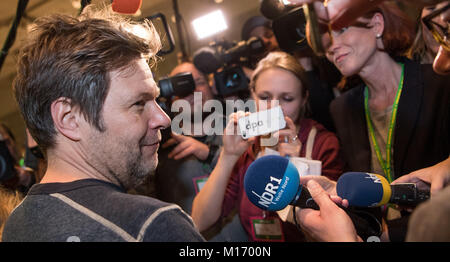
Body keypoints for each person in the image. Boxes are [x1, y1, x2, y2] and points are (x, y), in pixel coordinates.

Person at [2, 7, 204, 242]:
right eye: (139, 103)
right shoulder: (152, 226)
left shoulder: (16, 223)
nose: (164, 119)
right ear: (69, 118)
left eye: (155, 100)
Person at [304, 2, 449, 241]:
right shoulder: (342, 108)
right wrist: (336, 188)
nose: (333, 47)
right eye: (326, 41)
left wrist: (390, 233)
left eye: (341, 30)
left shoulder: (439, 84)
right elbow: (366, 186)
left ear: (377, 25)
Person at [191, 51, 344, 242]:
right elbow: (199, 221)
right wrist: (228, 156)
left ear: (304, 99)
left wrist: (295, 166)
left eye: (287, 99)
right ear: (252, 95)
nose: (274, 108)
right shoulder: (247, 145)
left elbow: (333, 231)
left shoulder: (323, 144)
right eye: (264, 97)